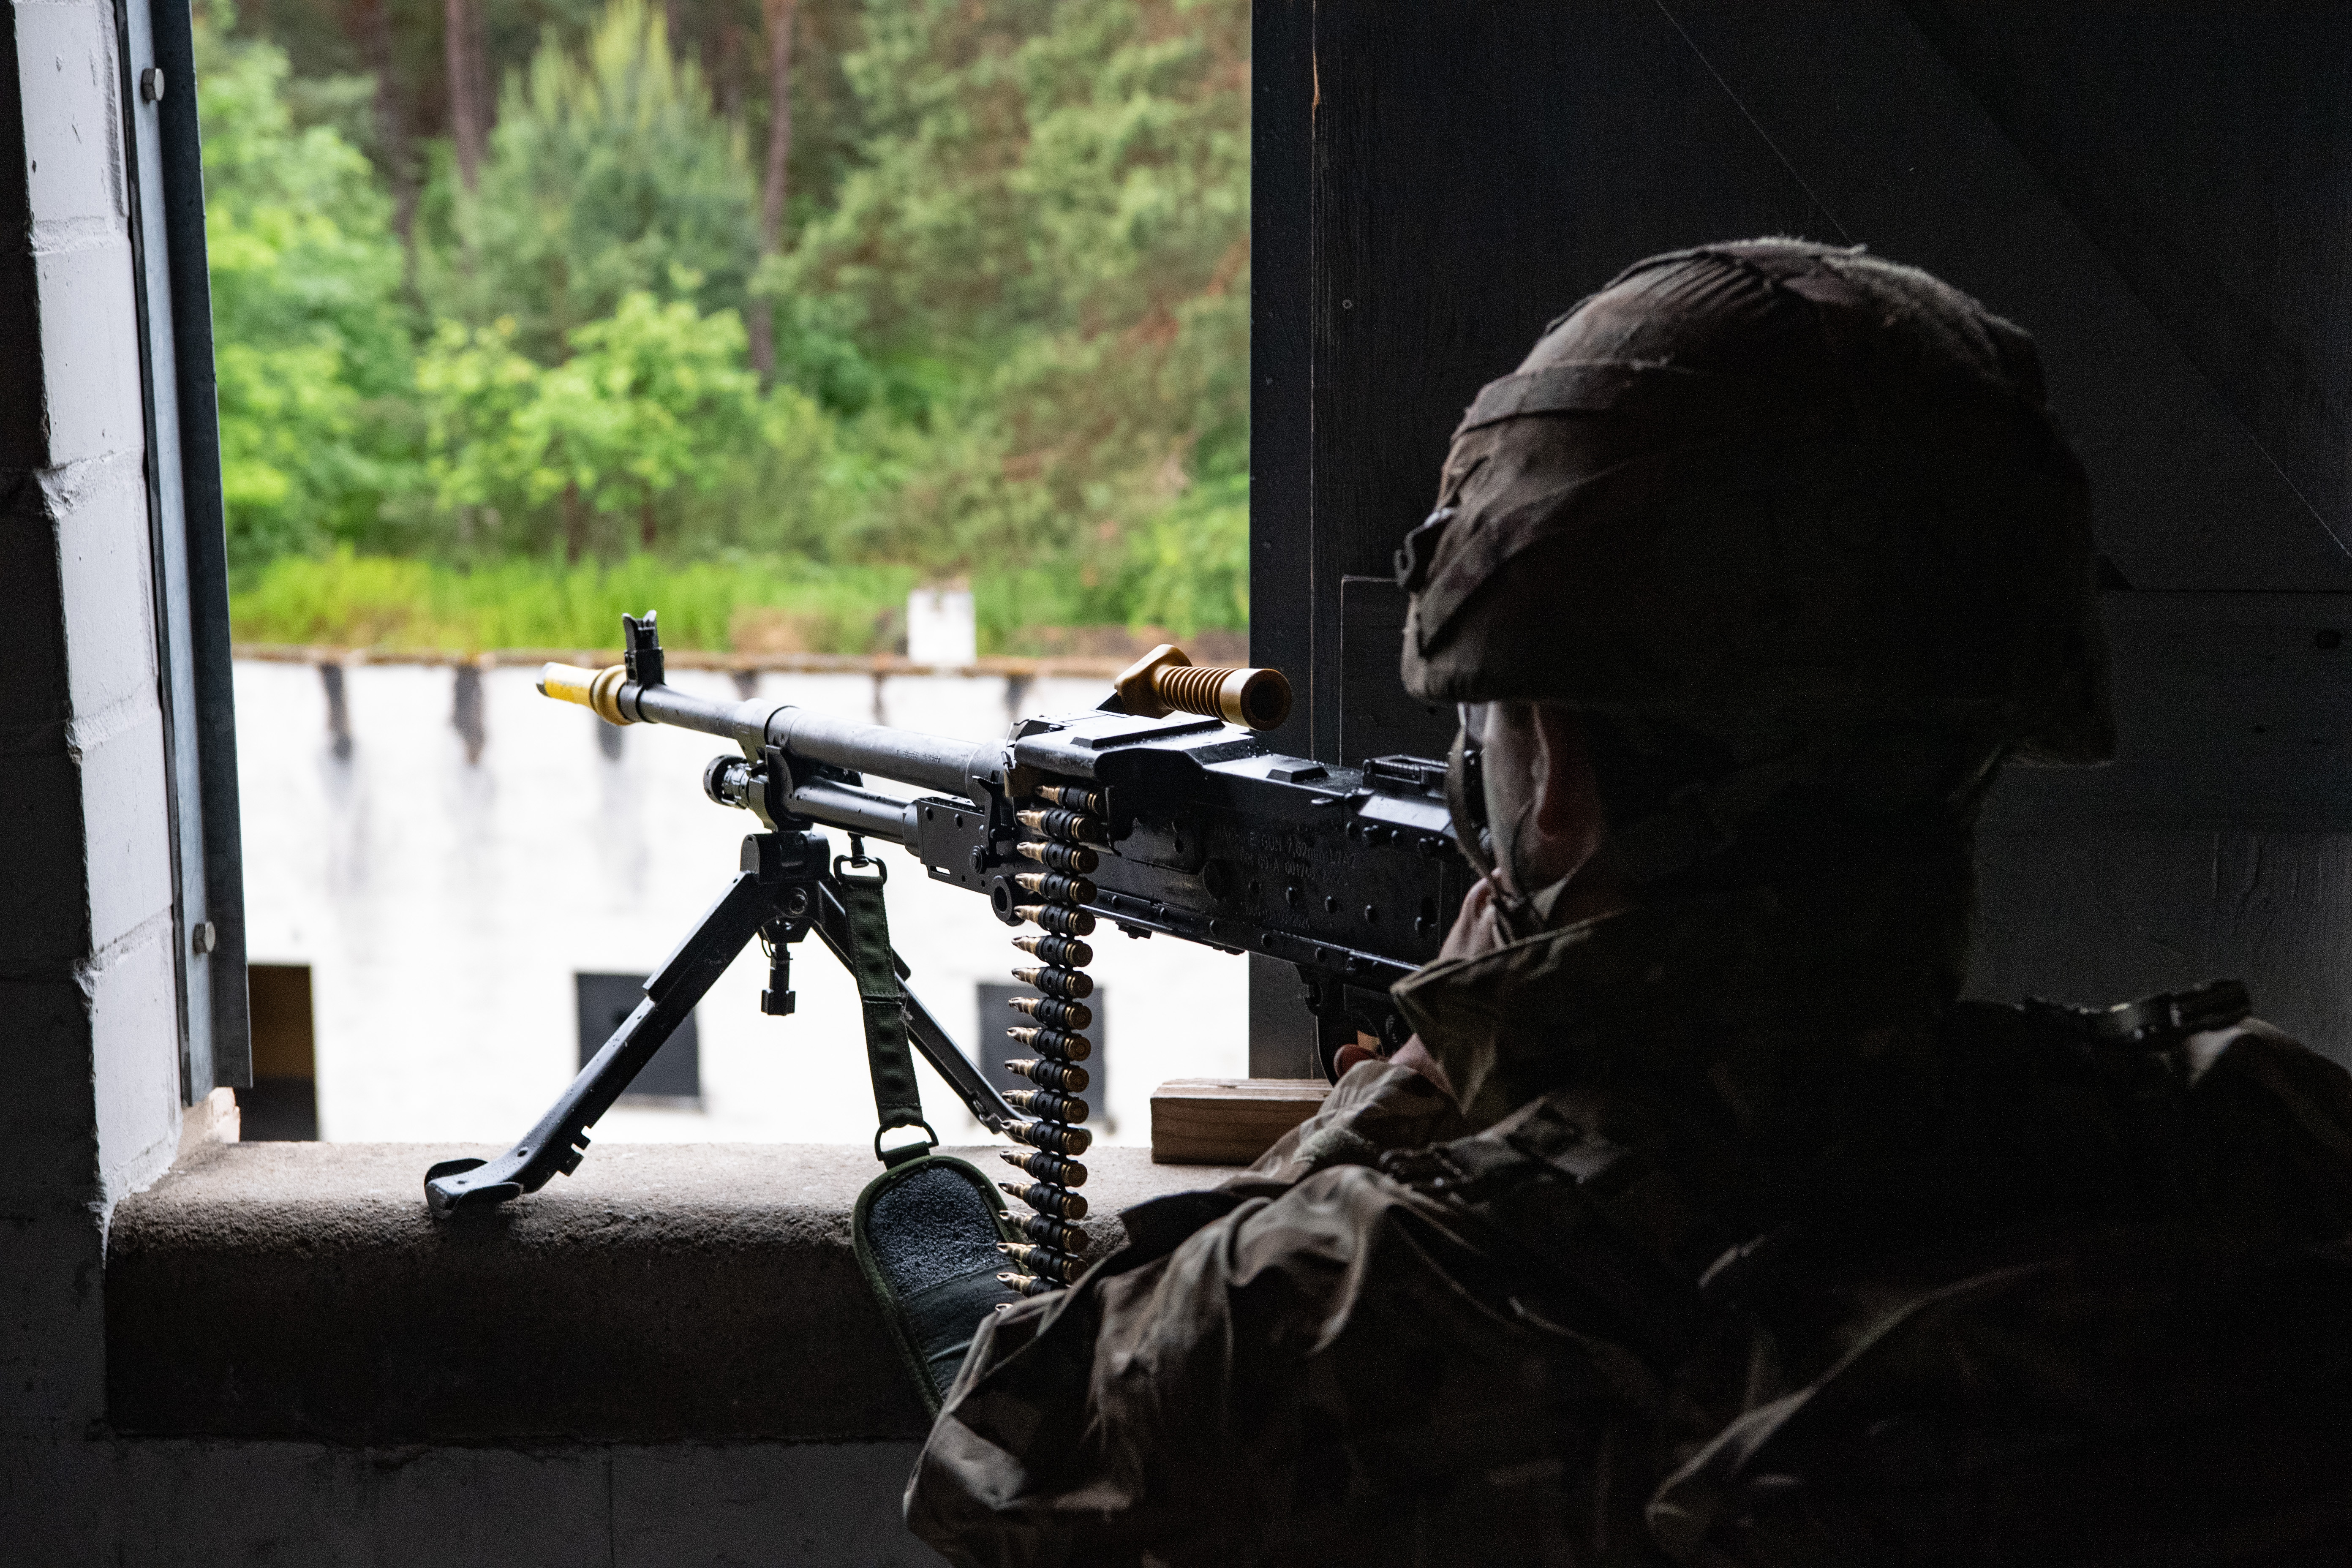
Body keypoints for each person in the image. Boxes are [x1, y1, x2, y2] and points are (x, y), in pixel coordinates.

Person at [903, 240, 2352, 1565]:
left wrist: (1420, 1087)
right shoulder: (2257, 1138)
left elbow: (993, 1458)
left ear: (1564, 785)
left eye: (1500, 722)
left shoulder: (1332, 1318)